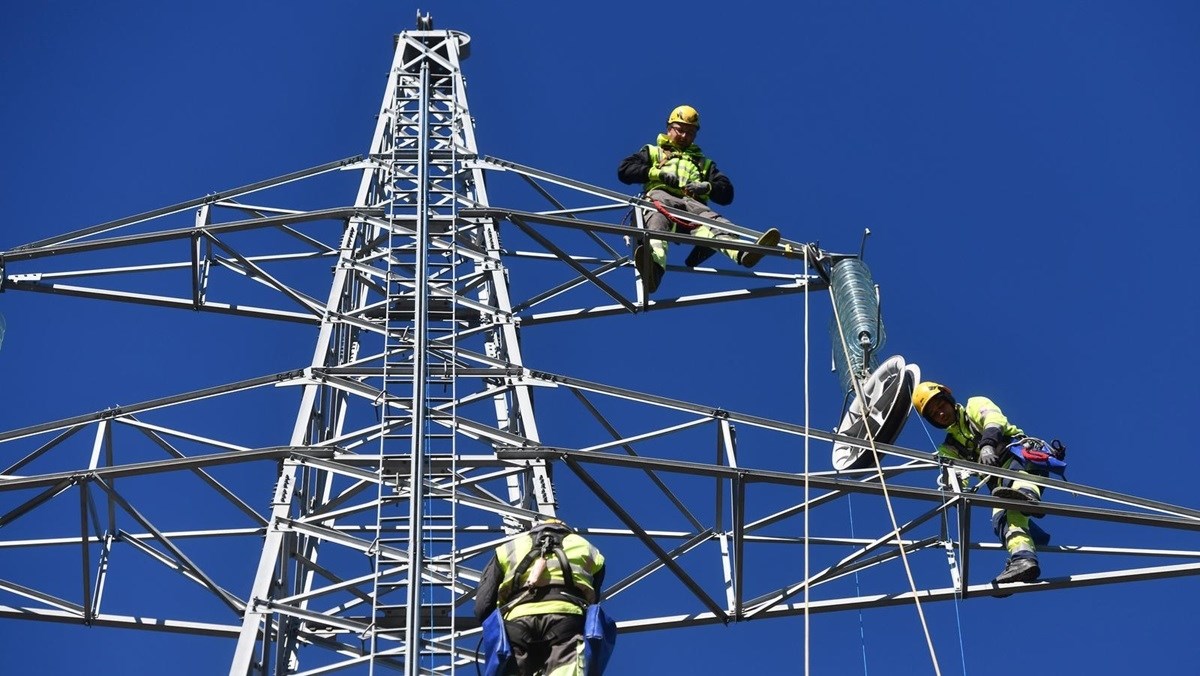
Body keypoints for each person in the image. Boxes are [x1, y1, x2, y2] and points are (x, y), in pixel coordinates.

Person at [617, 104, 780, 294]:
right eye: (681, 130)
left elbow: (726, 192)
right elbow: (625, 170)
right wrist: (657, 174)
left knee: (713, 223)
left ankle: (743, 252)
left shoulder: (703, 162)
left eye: (690, 132)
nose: (685, 136)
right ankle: (653, 268)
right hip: (661, 198)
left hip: (693, 204)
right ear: (669, 128)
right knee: (655, 222)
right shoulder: (654, 151)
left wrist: (708, 186)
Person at [912, 381, 1046, 585]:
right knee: (1001, 518)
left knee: (1015, 482)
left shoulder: (974, 405)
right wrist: (954, 488)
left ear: (948, 400)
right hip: (1001, 486)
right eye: (934, 414)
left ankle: (1028, 499)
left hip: (1020, 457)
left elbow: (993, 420)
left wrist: (987, 445)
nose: (940, 413)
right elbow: (959, 478)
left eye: (941, 406)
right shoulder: (948, 448)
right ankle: (1023, 559)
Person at [475, 519, 607, 675]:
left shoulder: (508, 548)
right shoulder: (587, 548)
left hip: (517, 621)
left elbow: (483, 605)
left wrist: (496, 627)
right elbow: (593, 604)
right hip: (567, 618)